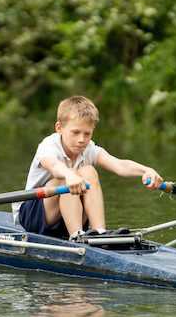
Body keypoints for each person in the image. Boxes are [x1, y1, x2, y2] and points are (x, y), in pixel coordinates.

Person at [12, 95, 164, 241]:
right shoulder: (48, 146)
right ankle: (77, 236)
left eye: (87, 134)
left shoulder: (89, 149)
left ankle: (99, 233)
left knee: (89, 171)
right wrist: (69, 175)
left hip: (67, 219)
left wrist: (146, 170)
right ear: (59, 128)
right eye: (75, 132)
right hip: (32, 217)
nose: (81, 140)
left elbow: (119, 165)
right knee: (68, 174)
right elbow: (53, 166)